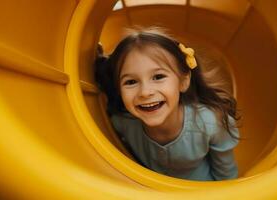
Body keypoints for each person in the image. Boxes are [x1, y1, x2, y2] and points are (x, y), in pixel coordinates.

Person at [94, 27, 241, 181]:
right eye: (131, 82)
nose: (145, 92)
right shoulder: (122, 123)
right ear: (119, 89)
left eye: (158, 77)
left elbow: (226, 174)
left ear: (183, 82)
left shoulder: (210, 123)